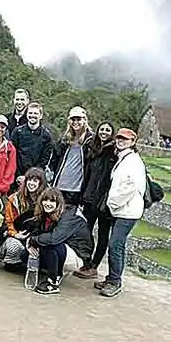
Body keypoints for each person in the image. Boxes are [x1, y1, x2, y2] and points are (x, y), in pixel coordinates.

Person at [96, 128, 147, 298]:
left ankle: (115, 281)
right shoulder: (124, 159)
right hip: (122, 209)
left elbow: (129, 186)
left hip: (127, 211)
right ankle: (112, 277)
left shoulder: (131, 161)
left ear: (132, 142)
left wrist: (112, 203)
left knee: (115, 244)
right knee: (117, 244)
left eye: (125, 139)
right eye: (119, 138)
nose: (120, 140)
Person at [0, 166, 47, 272]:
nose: (31, 183)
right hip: (14, 233)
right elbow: (8, 222)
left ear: (41, 183)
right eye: (29, 180)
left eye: (35, 181)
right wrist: (15, 234)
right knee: (10, 242)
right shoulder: (14, 199)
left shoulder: (46, 201)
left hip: (34, 236)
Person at [26, 188, 92, 295]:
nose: (48, 204)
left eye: (52, 201)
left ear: (59, 203)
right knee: (26, 254)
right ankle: (49, 271)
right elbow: (36, 231)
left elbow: (54, 238)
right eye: (45, 200)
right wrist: (30, 241)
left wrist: (34, 240)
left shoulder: (69, 216)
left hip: (77, 256)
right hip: (63, 249)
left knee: (49, 244)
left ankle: (53, 282)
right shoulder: (46, 214)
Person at [74, 120, 117, 280]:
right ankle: (87, 261)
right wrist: (82, 194)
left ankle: (94, 265)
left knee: (103, 234)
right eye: (102, 129)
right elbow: (87, 175)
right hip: (89, 197)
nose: (104, 132)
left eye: (108, 130)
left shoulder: (114, 152)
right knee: (86, 231)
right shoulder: (92, 149)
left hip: (104, 201)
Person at [48, 105, 94, 211]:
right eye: (73, 119)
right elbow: (54, 159)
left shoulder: (91, 140)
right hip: (60, 186)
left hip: (76, 189)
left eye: (79, 119)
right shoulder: (65, 139)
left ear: (85, 120)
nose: (76, 122)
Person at [9, 101, 55, 193]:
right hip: (16, 178)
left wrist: (30, 178)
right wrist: (18, 176)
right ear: (26, 114)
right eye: (30, 113)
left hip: (35, 180)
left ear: (40, 116)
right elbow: (12, 154)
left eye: (35, 113)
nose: (32, 115)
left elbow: (44, 160)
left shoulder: (46, 136)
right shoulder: (17, 131)